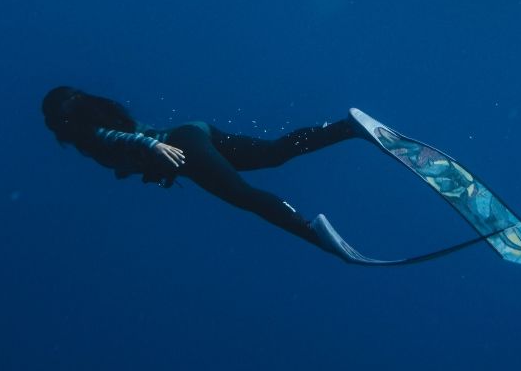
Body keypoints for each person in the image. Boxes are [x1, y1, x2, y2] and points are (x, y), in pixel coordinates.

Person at [42, 86, 359, 253]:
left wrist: (151, 147)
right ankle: (347, 128)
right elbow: (128, 137)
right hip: (194, 132)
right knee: (273, 153)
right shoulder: (106, 113)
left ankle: (309, 231)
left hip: (182, 148)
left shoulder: (87, 134)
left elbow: (116, 138)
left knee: (243, 195)